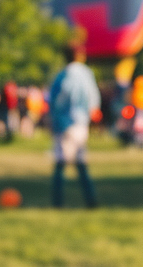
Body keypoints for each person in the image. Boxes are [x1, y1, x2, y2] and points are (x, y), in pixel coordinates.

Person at [48, 44, 100, 209]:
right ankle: (90, 199)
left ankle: (58, 201)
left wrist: (55, 118)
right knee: (81, 162)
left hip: (66, 122)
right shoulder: (86, 73)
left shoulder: (64, 75)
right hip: (81, 122)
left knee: (61, 163)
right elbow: (93, 99)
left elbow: (58, 99)